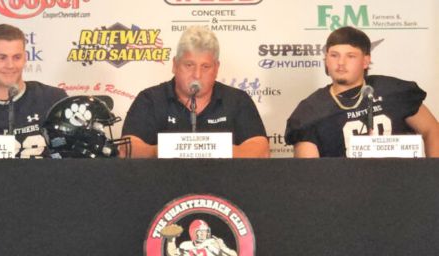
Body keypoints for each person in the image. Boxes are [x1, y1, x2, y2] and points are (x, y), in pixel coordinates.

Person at [285, 26, 439, 158]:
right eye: (334, 55)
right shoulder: (309, 111)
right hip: (343, 190)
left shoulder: (393, 91)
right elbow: (309, 174)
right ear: (326, 59)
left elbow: (432, 130)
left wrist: (433, 175)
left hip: (401, 185)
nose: (340, 63)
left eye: (350, 56)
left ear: (365, 61)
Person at [121, 26, 269, 158]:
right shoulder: (150, 99)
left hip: (225, 187)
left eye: (205, 67)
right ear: (175, 65)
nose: (197, 75)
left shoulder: (237, 100)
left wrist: (215, 150)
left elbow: (261, 149)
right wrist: (165, 150)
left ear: (216, 68)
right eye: (189, 65)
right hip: (164, 186)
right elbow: (126, 148)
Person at [0, 24, 68, 158]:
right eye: (1, 58)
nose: (10, 65)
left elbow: (74, 159)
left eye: (17, 57)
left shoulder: (53, 99)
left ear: (25, 59)